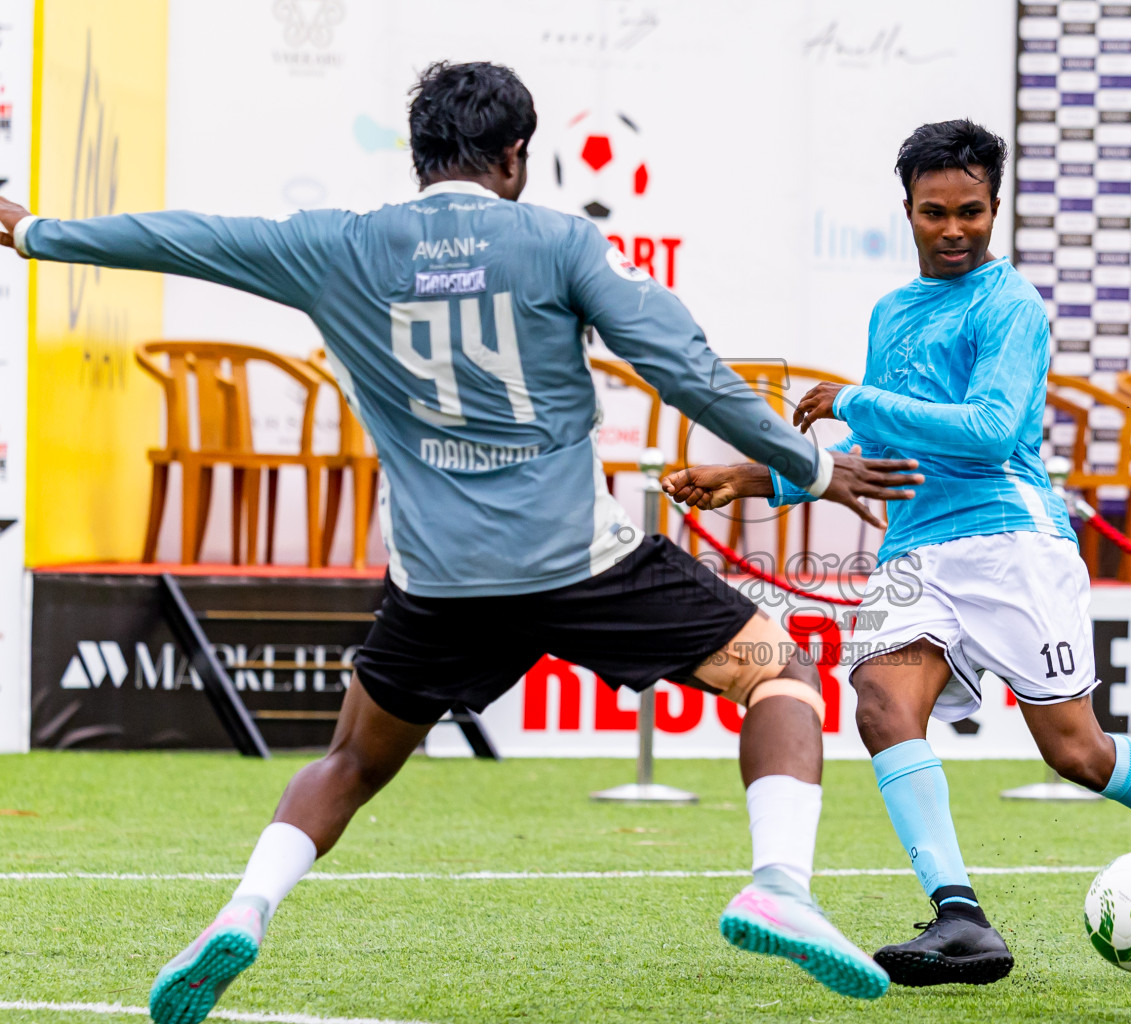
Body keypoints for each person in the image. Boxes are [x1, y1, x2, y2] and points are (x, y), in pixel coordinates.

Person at [0, 61, 924, 1020]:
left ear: (418, 156)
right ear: (516, 154)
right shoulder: (564, 242)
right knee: (776, 675)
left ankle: (244, 907)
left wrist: (36, 232)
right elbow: (682, 366)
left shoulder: (340, 246)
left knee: (351, 762)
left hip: (438, 580)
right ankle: (779, 882)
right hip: (579, 562)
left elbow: (183, 238)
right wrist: (810, 466)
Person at [663, 119, 1131, 988]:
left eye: (972, 212)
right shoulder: (893, 312)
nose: (955, 229)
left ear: (996, 206)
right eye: (935, 212)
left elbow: (990, 433)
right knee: (878, 702)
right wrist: (753, 478)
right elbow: (884, 463)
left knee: (1076, 752)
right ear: (906, 212)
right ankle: (961, 918)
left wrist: (854, 396)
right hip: (918, 548)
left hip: (1012, 541)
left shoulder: (1010, 306)